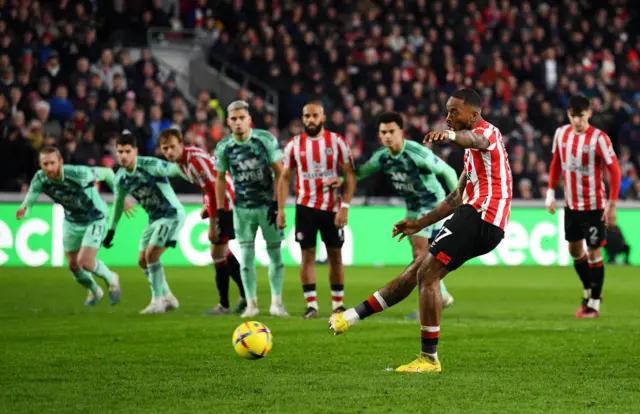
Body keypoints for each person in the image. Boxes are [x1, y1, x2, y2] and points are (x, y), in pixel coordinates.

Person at [330, 88, 512, 373]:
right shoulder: (472, 156)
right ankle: (350, 317)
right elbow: (454, 198)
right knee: (420, 269)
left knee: (426, 274)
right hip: (475, 216)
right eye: (447, 110)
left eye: (454, 111)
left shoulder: (488, 133)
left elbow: (472, 138)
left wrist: (450, 136)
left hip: (482, 216)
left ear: (474, 114)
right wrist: (419, 223)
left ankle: (429, 359)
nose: (448, 116)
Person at [334, 111, 459, 318]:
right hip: (412, 207)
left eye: (392, 131)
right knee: (424, 256)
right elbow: (362, 172)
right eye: (383, 132)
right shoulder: (382, 157)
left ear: (401, 132)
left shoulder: (416, 153)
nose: (387, 136)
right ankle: (441, 295)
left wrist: (458, 202)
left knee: (420, 255)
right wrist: (340, 179)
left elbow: (448, 172)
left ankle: (429, 306)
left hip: (432, 205)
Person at [16, 147, 127, 306]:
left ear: (60, 162)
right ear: (40, 165)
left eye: (52, 163)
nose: (49, 167)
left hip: (95, 217)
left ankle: (111, 278)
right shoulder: (40, 179)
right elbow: (30, 200)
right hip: (72, 220)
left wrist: (120, 198)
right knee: (73, 266)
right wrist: (24, 210)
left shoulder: (78, 173)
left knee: (86, 262)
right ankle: (95, 290)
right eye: (45, 164)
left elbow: (108, 174)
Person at [277, 101, 356, 319]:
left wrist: (346, 207)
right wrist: (280, 209)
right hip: (305, 208)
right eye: (306, 116)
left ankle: (338, 305)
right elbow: (284, 178)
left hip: (332, 208)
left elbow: (350, 175)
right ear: (302, 119)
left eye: (314, 115)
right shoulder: (294, 144)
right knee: (307, 256)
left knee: (335, 256)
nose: (310, 120)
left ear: (323, 118)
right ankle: (311, 306)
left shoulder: (337, 142)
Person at [545, 95, 621, 318]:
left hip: (595, 205)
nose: (577, 120)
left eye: (581, 115)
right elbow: (556, 163)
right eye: (573, 116)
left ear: (589, 113)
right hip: (571, 204)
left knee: (594, 251)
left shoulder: (599, 139)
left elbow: (614, 171)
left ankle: (594, 304)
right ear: (568, 114)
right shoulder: (561, 134)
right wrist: (550, 193)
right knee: (574, 251)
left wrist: (612, 204)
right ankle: (590, 289)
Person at [158, 128, 247, 315]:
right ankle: (244, 297)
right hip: (223, 202)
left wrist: (214, 221)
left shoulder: (194, 161)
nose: (169, 152)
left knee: (217, 251)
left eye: (172, 147)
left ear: (181, 144)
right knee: (221, 252)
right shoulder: (183, 162)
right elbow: (207, 187)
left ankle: (227, 304)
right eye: (165, 148)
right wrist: (207, 207)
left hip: (228, 203)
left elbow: (216, 188)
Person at [215, 100, 287, 318]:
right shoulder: (224, 147)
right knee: (246, 259)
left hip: (267, 207)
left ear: (249, 120)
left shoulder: (264, 140)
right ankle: (252, 305)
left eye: (241, 118)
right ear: (228, 122)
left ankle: (276, 303)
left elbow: (281, 173)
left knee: (275, 255)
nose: (238, 123)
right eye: (234, 119)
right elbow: (219, 179)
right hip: (242, 210)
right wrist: (220, 211)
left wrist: (278, 205)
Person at [103, 131, 187, 314]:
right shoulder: (120, 178)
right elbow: (118, 205)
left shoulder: (150, 165)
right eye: (120, 152)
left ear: (135, 151)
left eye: (127, 151)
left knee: (151, 255)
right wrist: (111, 230)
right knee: (142, 260)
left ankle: (157, 302)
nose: (123, 155)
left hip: (171, 214)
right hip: (154, 218)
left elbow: (173, 169)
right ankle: (169, 297)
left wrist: (198, 173)